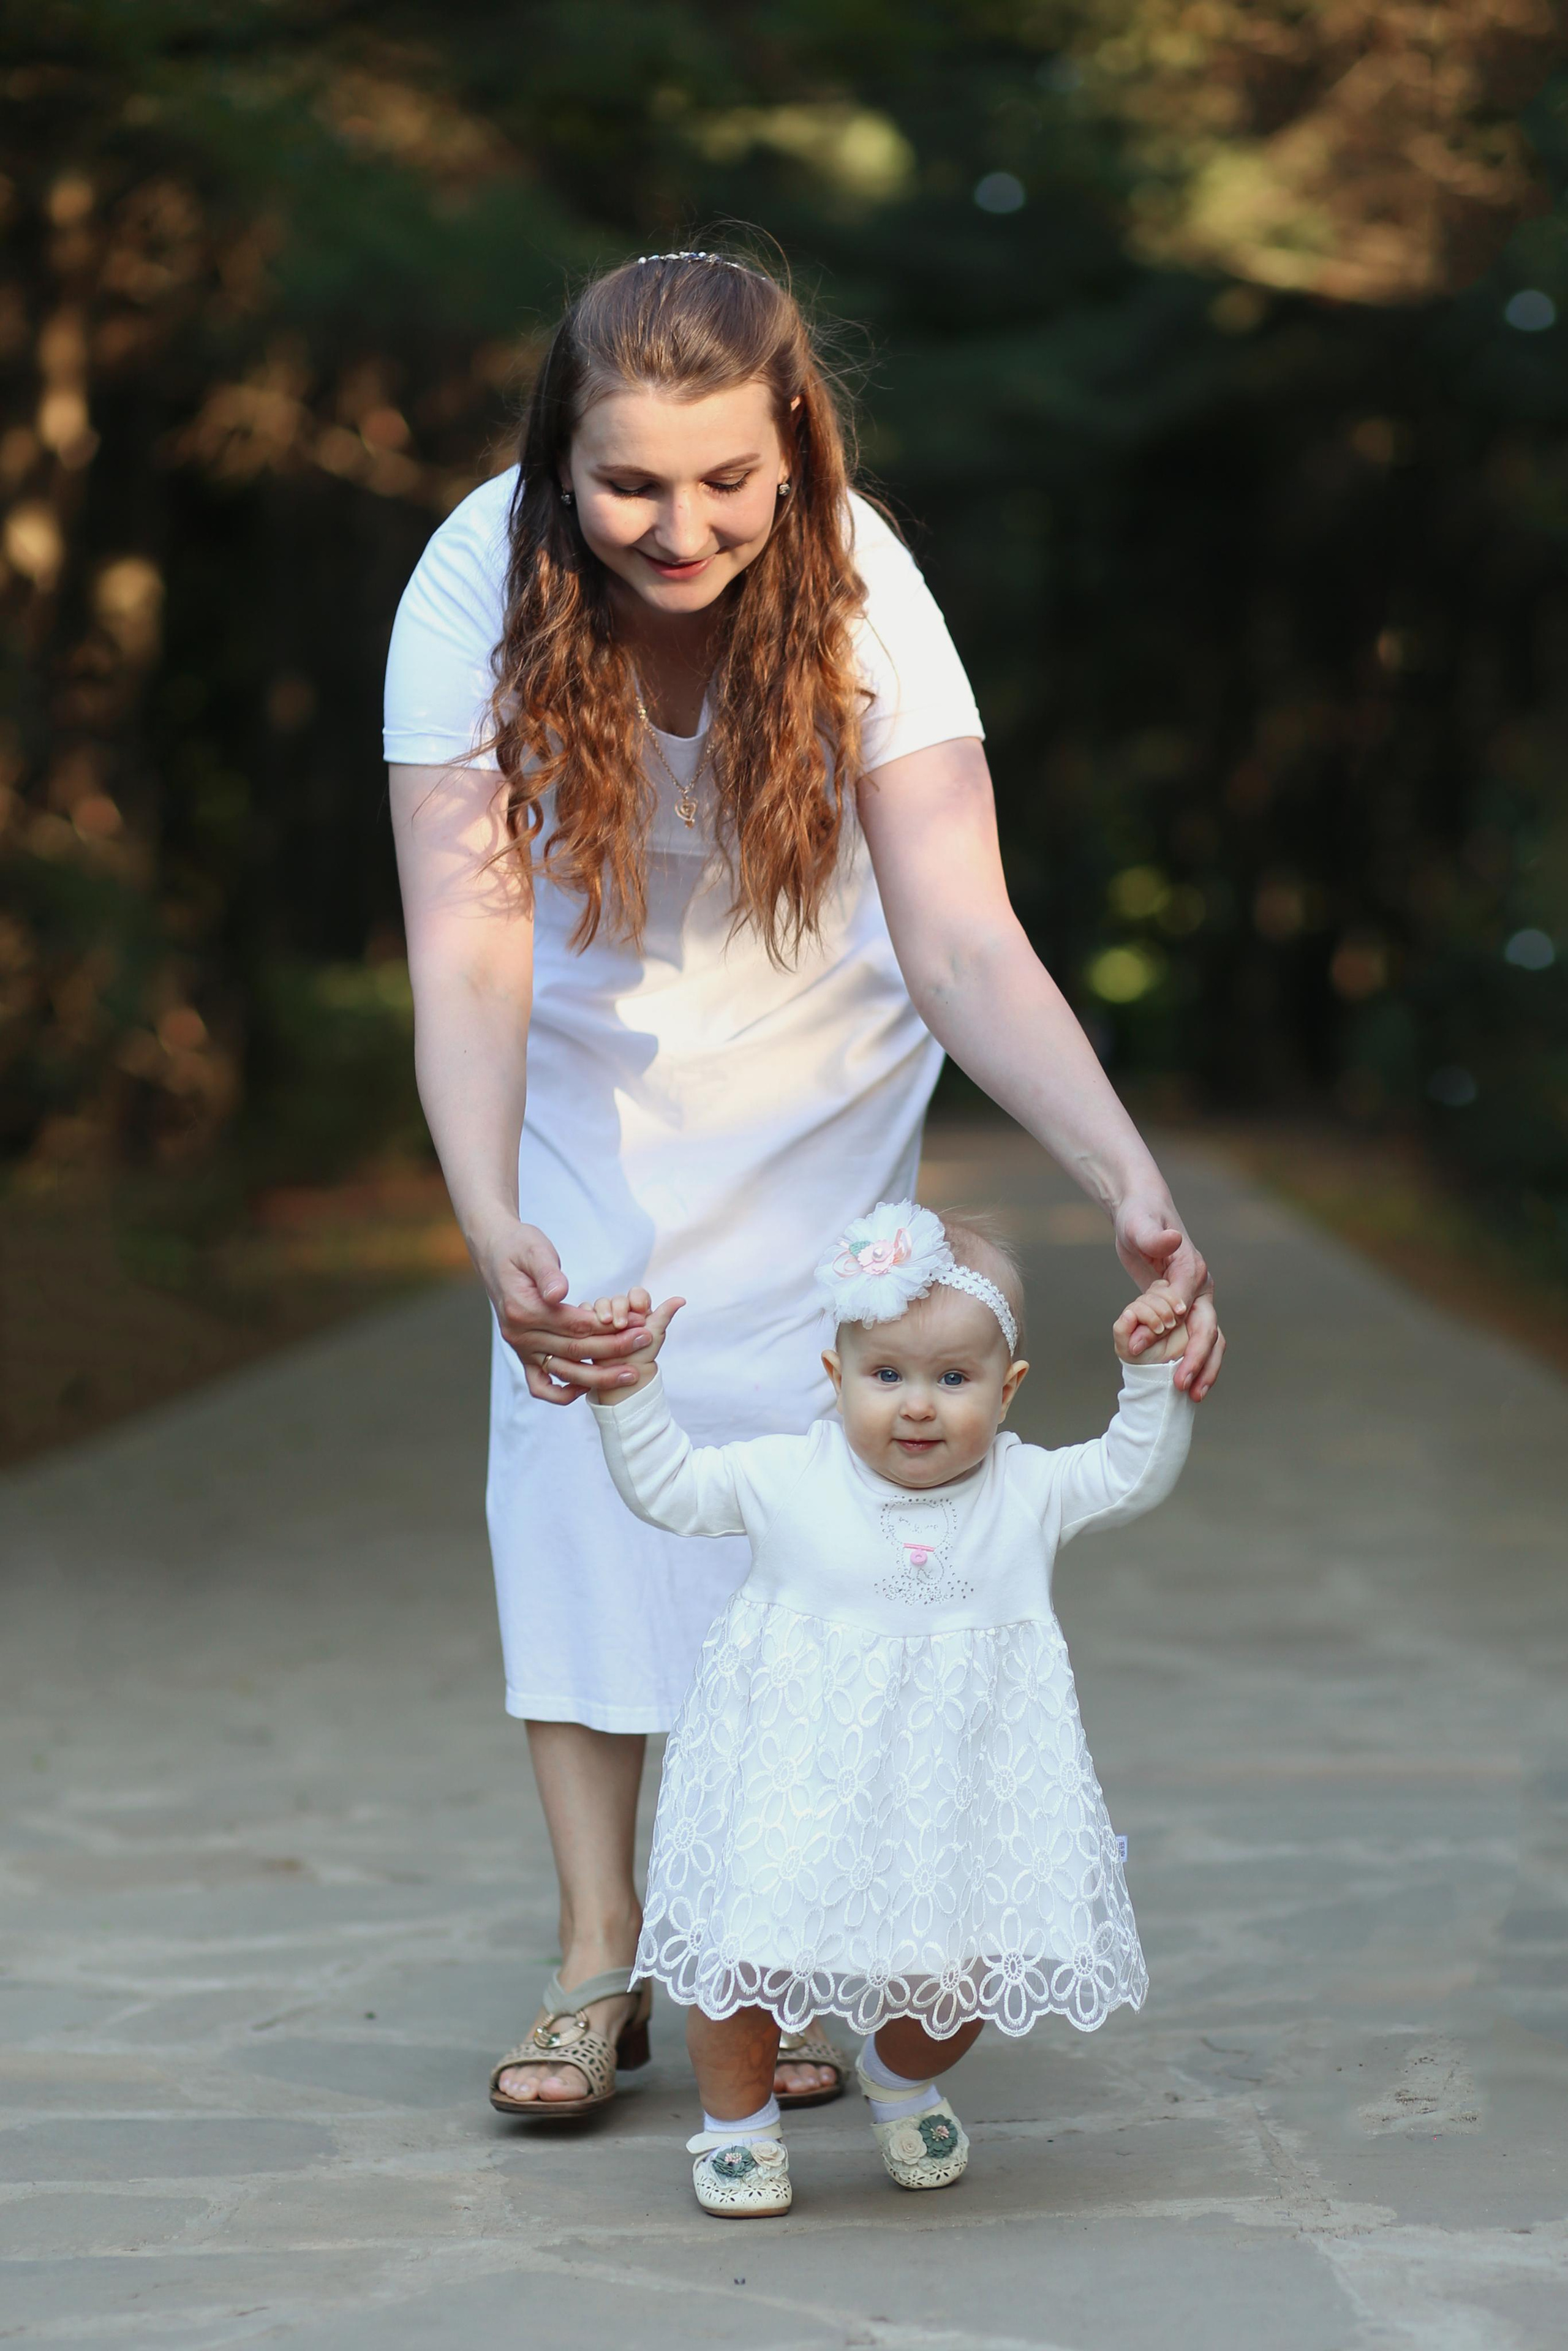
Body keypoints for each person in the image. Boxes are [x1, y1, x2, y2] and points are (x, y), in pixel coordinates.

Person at [384, 246, 1224, 2121]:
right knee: (583, 1458)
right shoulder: (471, 583)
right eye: (628, 485)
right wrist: (485, 1208)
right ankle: (602, 1945)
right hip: (583, 1056)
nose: (680, 528)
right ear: (558, 461)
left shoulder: (867, 587)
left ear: (790, 447)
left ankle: (780, 1941)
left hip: (828, 1045)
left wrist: (1125, 1175)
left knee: (817, 1501)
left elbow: (964, 933)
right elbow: (468, 955)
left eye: (724, 483)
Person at [584, 1200, 1194, 2214]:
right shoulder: (789, 1476)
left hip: (951, 1791)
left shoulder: (1028, 1490)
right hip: (796, 1775)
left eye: (954, 1379)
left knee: (964, 1981)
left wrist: (1150, 1376)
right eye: (887, 1375)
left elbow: (1129, 1472)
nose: (918, 1405)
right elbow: (670, 1490)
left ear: (1008, 1391)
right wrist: (630, 1389)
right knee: (745, 1967)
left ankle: (902, 2074)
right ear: (836, 1377)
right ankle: (737, 2126)